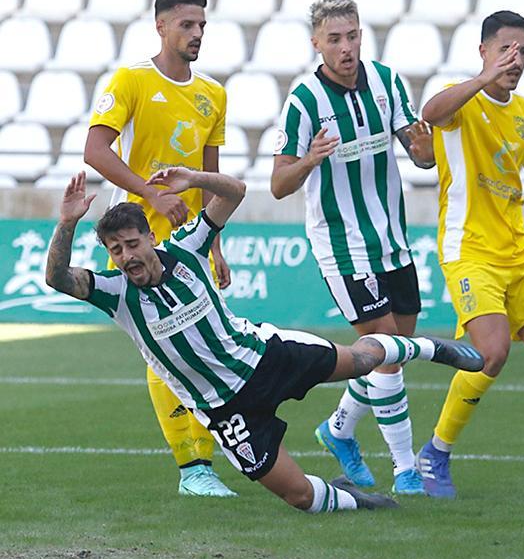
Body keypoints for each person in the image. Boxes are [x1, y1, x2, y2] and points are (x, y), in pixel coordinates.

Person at [44, 169, 485, 513]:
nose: (126, 257)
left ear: (151, 238)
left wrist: (195, 179)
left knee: (363, 359)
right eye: (116, 250)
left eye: (132, 244)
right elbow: (57, 278)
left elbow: (234, 191)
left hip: (265, 357)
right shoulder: (116, 293)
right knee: (300, 498)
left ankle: (431, 348)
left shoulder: (188, 249)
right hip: (227, 411)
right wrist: (66, 222)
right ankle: (356, 499)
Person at [270, 0, 436, 496]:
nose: (346, 48)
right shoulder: (303, 101)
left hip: (392, 238)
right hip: (341, 245)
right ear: (316, 44)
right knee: (385, 349)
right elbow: (279, 184)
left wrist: (426, 146)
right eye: (335, 39)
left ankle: (338, 430)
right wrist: (311, 158)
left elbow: (422, 156)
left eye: (353, 36)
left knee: (394, 353)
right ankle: (406, 470)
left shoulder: (387, 82)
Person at [84, 0, 234, 497]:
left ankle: (208, 461)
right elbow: (95, 149)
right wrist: (153, 193)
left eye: (202, 27)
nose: (196, 35)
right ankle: (193, 468)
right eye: (187, 25)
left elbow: (210, 177)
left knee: (206, 346)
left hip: (192, 239)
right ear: (161, 26)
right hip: (139, 238)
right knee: (164, 345)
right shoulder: (131, 80)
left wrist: (216, 245)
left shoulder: (213, 93)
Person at [416, 10, 524, 499]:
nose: (516, 59)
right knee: (492, 352)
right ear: (483, 50)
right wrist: (482, 80)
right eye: (506, 49)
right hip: (470, 250)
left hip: (518, 251)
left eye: (523, 51)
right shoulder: (462, 102)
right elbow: (431, 113)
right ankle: (435, 452)